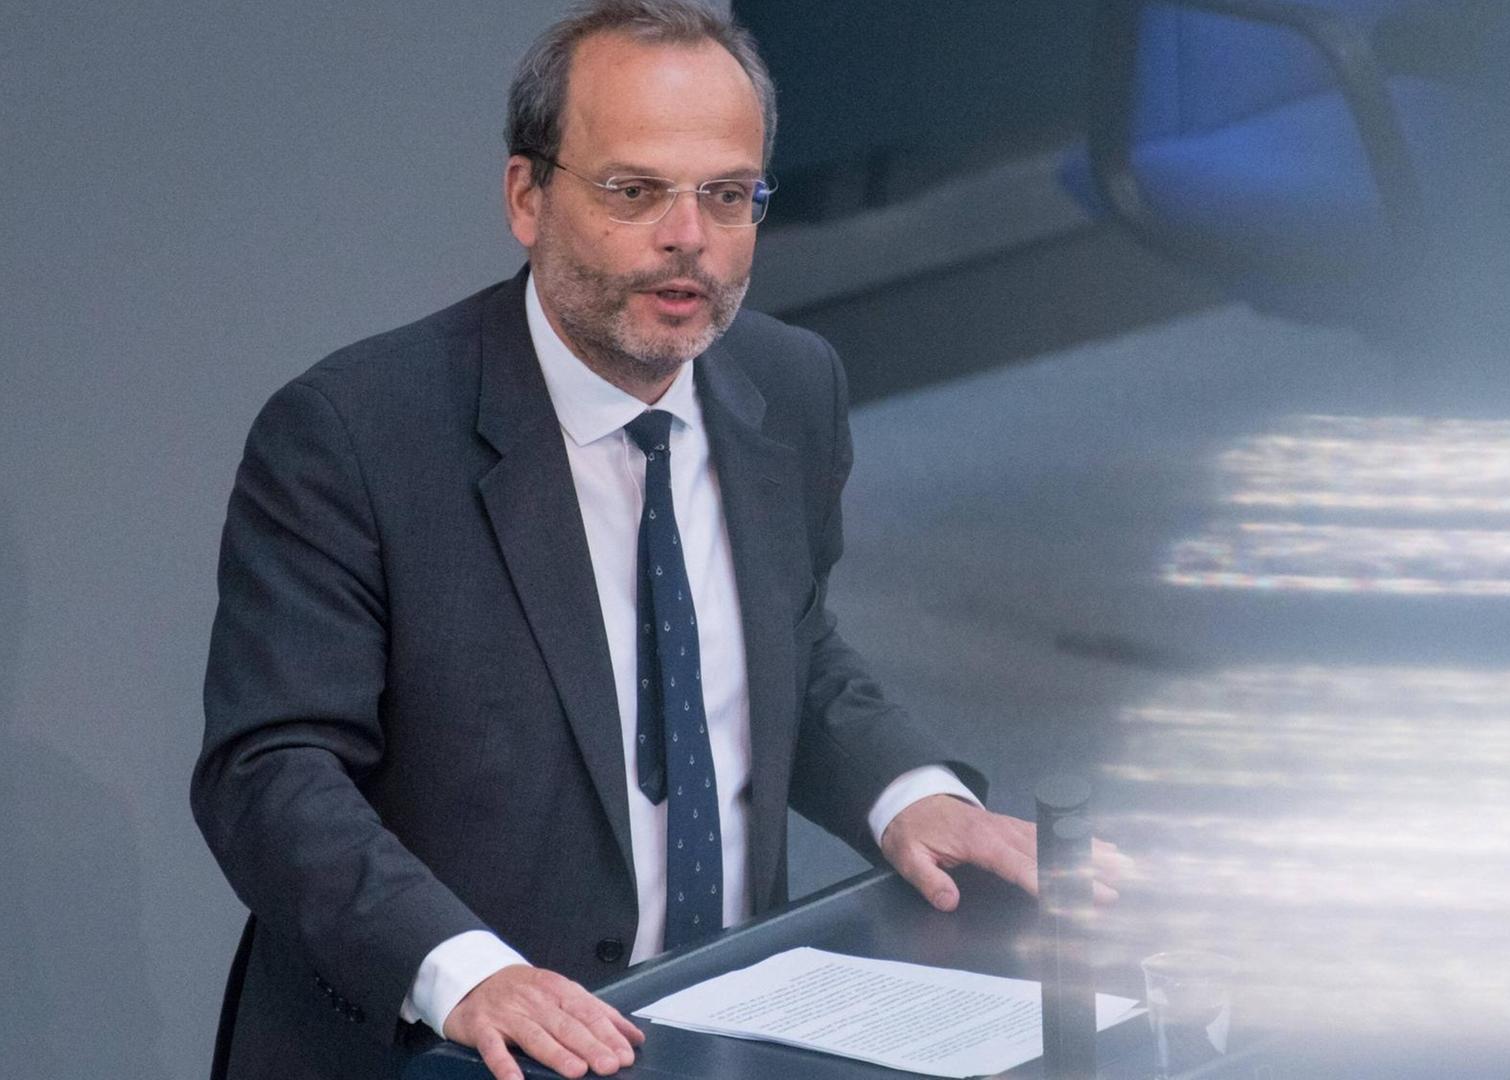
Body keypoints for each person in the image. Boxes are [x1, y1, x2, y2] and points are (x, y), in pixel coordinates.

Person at [190, 3, 1123, 1079]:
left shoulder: (790, 384)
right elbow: (273, 775)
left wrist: (907, 794)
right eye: (634, 191)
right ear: (527, 197)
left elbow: (788, 646)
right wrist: (464, 971)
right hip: (448, 1050)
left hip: (718, 1023)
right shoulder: (354, 435)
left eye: (727, 196)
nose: (690, 236)